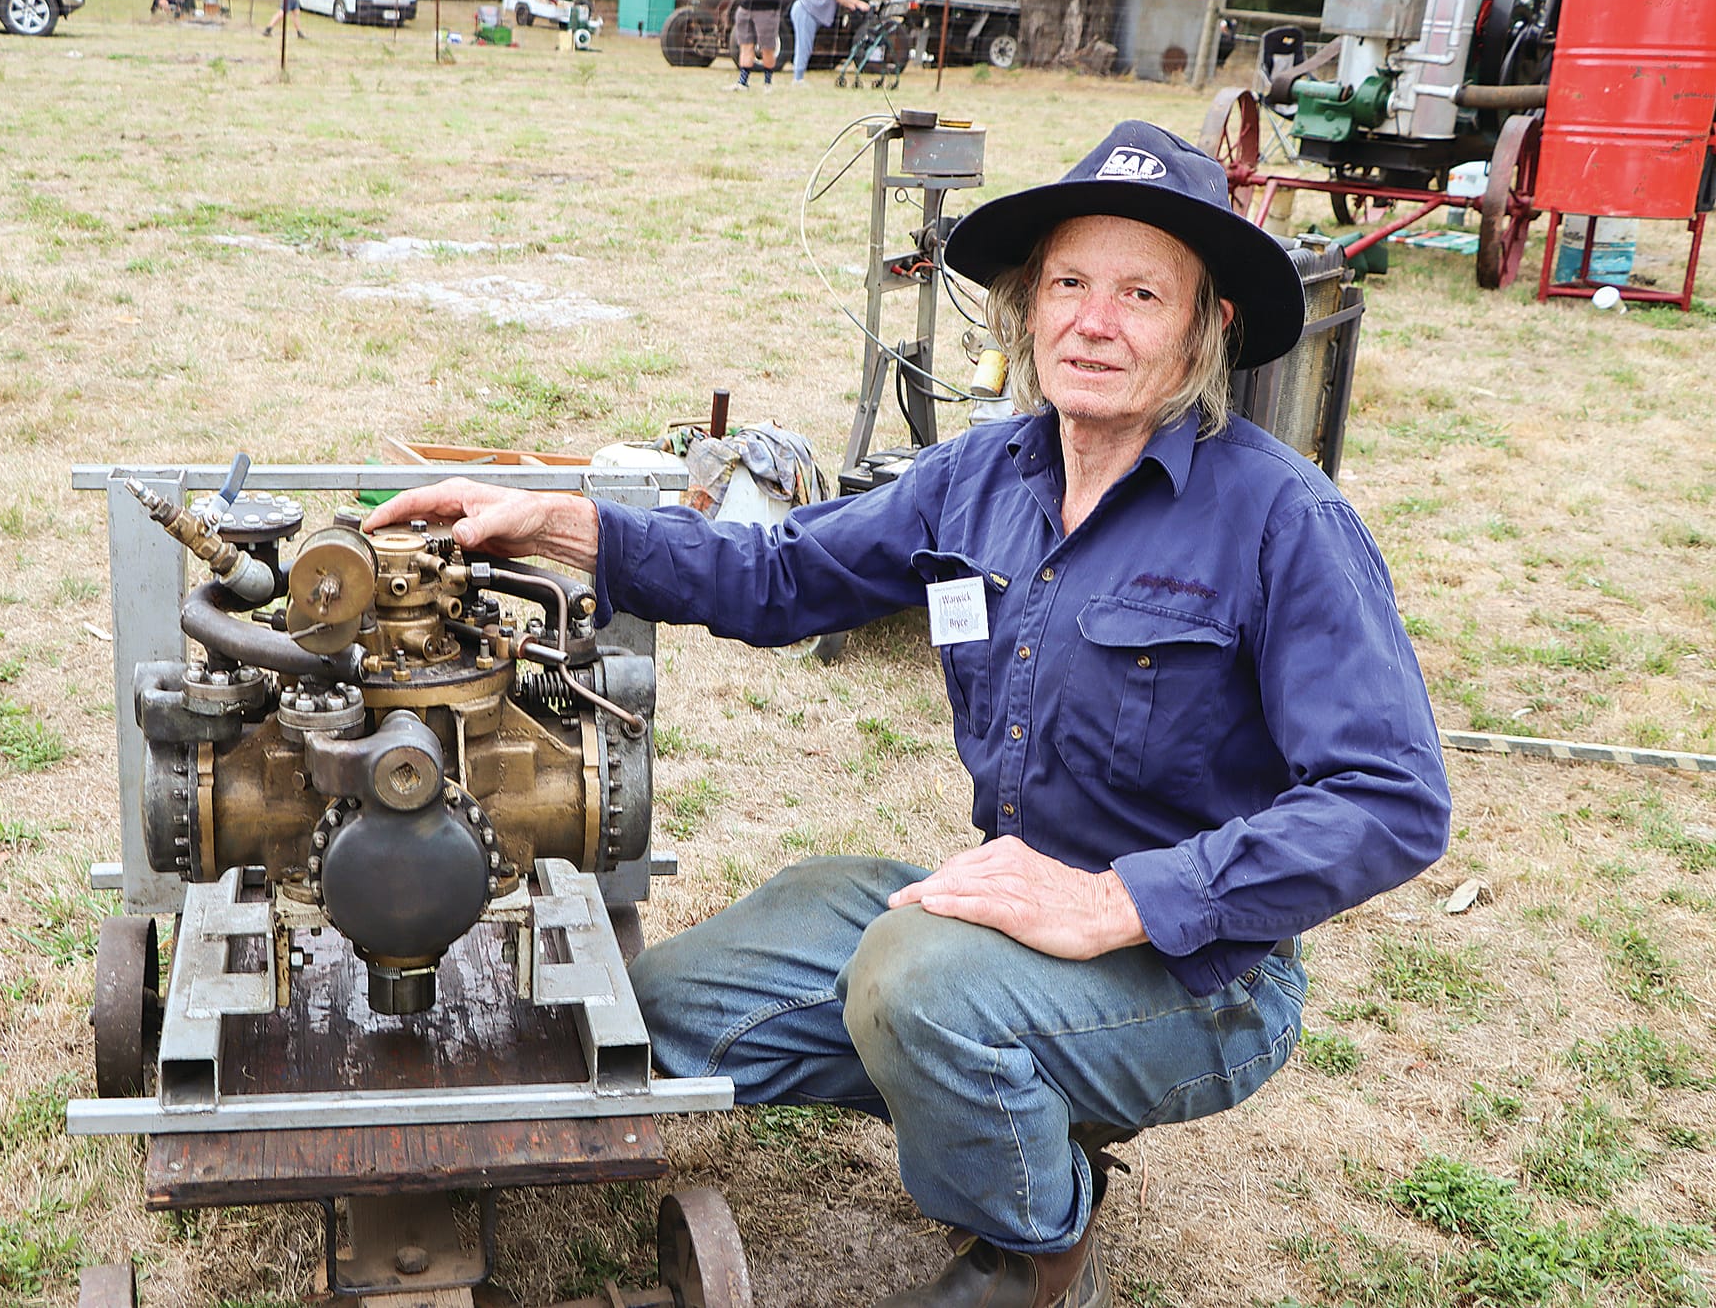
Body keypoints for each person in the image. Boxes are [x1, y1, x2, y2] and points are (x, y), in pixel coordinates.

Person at [365, 120, 1452, 1308]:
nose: (1093, 323)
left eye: (1140, 294)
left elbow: (1389, 800)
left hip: (1201, 974)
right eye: (1068, 285)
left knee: (913, 980)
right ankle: (1019, 1087)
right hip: (1007, 911)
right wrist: (559, 524)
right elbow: (781, 574)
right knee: (671, 1009)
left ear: (1206, 327)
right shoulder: (980, 478)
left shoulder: (1281, 519)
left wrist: (1114, 901)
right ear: (1026, 308)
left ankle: (1034, 1250)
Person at [788, 0, 866, 83]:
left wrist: (851, 4)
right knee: (804, 46)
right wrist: (859, 3)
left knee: (806, 46)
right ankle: (797, 79)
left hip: (812, 13)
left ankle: (798, 77)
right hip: (806, 11)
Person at [725, 0, 787, 90]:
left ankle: (767, 83)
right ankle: (743, 82)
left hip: (766, 10)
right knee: (745, 46)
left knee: (767, 47)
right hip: (745, 7)